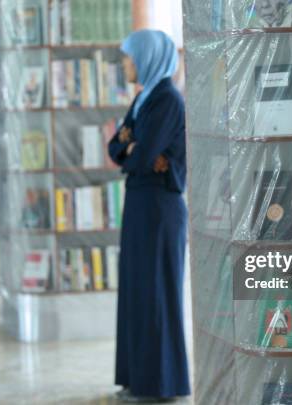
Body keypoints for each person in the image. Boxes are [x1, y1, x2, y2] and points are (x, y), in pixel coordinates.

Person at [108, 30, 190, 402]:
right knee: (137, 292)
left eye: (129, 57)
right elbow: (117, 149)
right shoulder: (144, 99)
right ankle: (137, 378)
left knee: (157, 293)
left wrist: (134, 147)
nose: (126, 64)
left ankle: (161, 385)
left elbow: (141, 157)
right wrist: (131, 145)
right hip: (141, 203)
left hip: (159, 207)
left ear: (147, 58)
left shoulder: (167, 100)